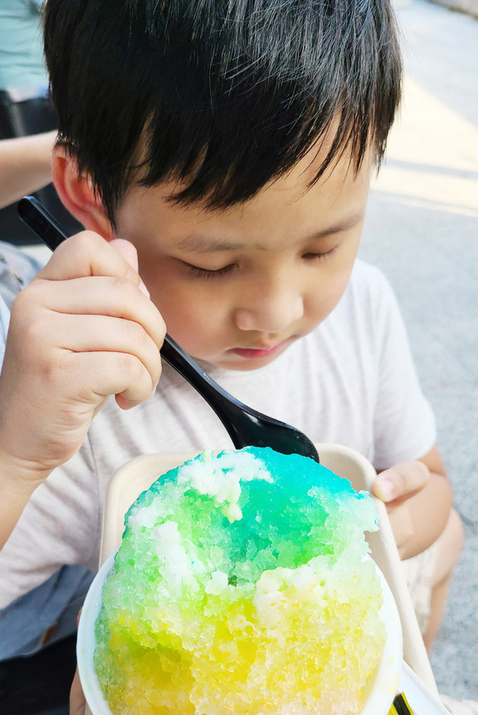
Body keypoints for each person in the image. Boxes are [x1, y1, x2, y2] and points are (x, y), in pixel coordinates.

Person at [0, 0, 463, 662]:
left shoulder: (366, 307)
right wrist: (15, 459)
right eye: (212, 266)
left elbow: (429, 478)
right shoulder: (73, 402)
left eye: (322, 249)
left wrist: (403, 520)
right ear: (92, 196)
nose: (275, 313)